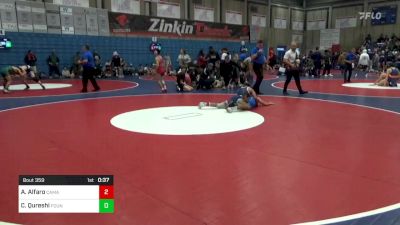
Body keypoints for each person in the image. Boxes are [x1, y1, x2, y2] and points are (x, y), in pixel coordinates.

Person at [198, 86, 274, 113]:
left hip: (234, 99)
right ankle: (232, 109)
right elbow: (258, 99)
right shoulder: (252, 98)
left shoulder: (245, 92)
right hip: (238, 100)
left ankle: (205, 103)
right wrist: (267, 103)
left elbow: (257, 99)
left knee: (220, 105)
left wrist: (266, 103)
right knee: (248, 106)